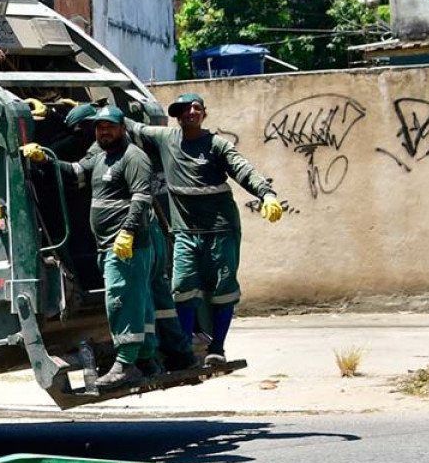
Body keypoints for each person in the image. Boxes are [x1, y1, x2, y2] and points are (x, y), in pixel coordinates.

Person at [126, 92, 282, 364]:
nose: (191, 112)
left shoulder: (216, 145)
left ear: (204, 114)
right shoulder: (166, 139)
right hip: (185, 233)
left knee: (223, 290)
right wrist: (98, 110)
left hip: (221, 231)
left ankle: (217, 349)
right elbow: (131, 126)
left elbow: (242, 169)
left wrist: (266, 194)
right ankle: (185, 348)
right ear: (177, 115)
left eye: (197, 108)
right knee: (183, 287)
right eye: (185, 109)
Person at [21, 105, 158, 390]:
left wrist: (128, 232)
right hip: (107, 245)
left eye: (109, 125)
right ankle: (146, 358)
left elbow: (142, 197)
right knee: (135, 301)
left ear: (122, 127)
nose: (104, 130)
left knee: (121, 302)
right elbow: (74, 172)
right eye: (99, 126)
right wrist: (44, 157)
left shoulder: (133, 157)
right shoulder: (100, 156)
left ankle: (125, 364)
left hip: (126, 245)